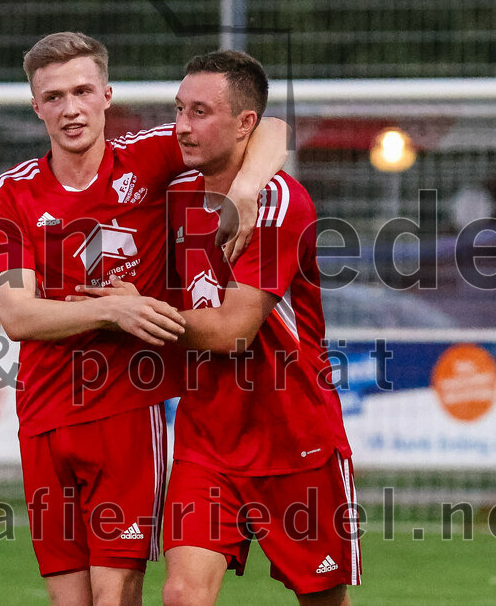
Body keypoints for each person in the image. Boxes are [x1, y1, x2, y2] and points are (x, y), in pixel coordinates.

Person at [0, 32, 288, 605]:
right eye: (54, 97)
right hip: (42, 415)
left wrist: (246, 190)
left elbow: (269, 127)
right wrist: (113, 308)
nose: (70, 109)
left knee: (116, 595)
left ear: (106, 95)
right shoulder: (8, 193)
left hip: (126, 409)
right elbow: (17, 316)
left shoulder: (148, 154)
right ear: (36, 106)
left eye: (82, 91)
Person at [82, 50, 358, 605]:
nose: (182, 126)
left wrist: (137, 313)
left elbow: (234, 330)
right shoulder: (175, 192)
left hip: (294, 439)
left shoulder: (280, 203)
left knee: (322, 600)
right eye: (178, 109)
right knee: (182, 593)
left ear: (244, 124)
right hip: (207, 439)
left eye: (200, 112)